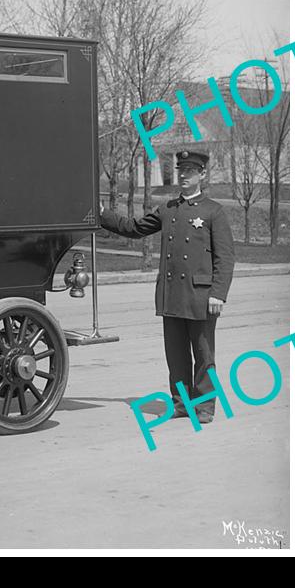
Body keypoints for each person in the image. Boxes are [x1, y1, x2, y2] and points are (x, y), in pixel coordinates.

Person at [98, 149, 236, 424]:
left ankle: (204, 406)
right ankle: (182, 404)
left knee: (203, 354)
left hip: (201, 296)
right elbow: (134, 228)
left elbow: (225, 257)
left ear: (202, 175)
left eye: (190, 171)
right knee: (176, 355)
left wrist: (218, 294)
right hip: (172, 295)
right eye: (181, 171)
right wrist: (102, 214)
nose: (184, 175)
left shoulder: (213, 211)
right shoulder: (168, 209)